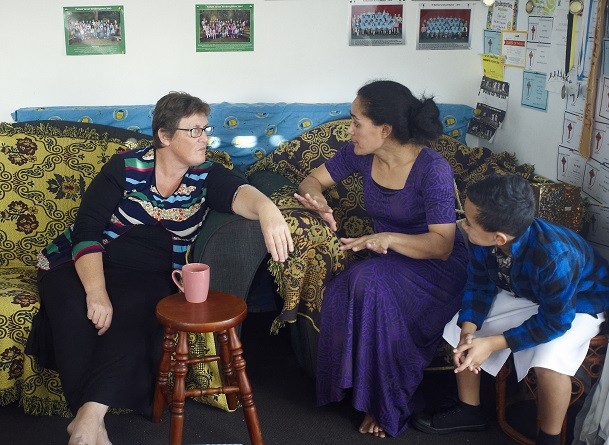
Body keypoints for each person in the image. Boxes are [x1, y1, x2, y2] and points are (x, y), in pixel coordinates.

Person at [25, 91, 294, 445]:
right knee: (75, 310)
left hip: (151, 272)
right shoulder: (123, 168)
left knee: (138, 316)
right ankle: (89, 422)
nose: (205, 139)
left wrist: (268, 211)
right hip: (84, 259)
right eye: (194, 131)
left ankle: (88, 418)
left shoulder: (206, 175)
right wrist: (97, 292)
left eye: (206, 129)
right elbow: (87, 232)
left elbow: (241, 193)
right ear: (164, 136)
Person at [294, 80, 468, 438]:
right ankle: (359, 391)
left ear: (384, 130)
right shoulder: (358, 152)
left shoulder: (432, 169)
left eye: (357, 121)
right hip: (387, 258)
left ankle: (386, 403)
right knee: (349, 286)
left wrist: (386, 237)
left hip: (434, 265)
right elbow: (312, 179)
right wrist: (318, 201)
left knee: (368, 285)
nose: (350, 129)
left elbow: (442, 245)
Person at [413, 174, 609, 445]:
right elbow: (478, 285)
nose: (462, 225)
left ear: (500, 238)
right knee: (460, 326)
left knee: (549, 361)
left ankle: (548, 440)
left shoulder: (555, 255)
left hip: (580, 303)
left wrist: (493, 343)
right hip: (532, 294)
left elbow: (556, 321)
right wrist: (469, 331)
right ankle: (470, 410)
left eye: (469, 222)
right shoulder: (482, 240)